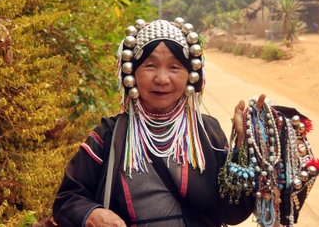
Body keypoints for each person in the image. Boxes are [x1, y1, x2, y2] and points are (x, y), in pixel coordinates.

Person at [52, 18, 261, 226]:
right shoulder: (109, 135)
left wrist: (244, 146)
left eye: (174, 67)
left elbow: (232, 213)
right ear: (131, 73)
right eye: (150, 65)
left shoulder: (207, 133)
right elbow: (66, 200)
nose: (162, 79)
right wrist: (93, 215)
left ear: (191, 76)